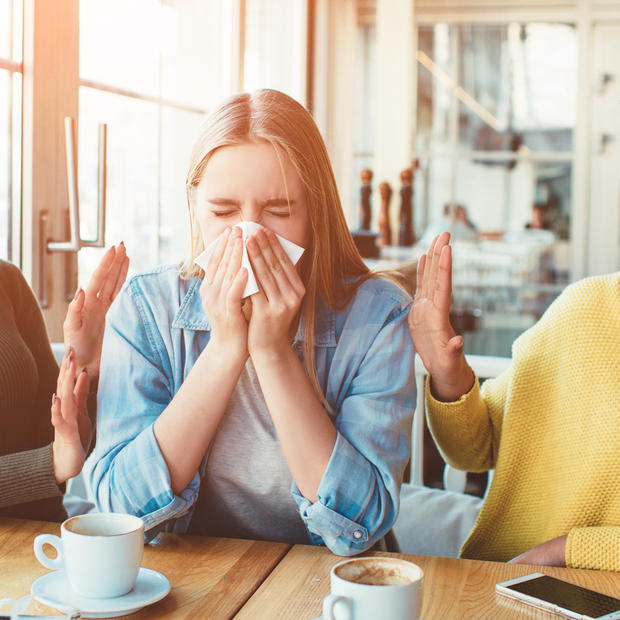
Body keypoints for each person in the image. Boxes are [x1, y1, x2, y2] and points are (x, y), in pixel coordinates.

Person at [90, 89, 415, 555]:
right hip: (196, 577)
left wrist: (272, 352)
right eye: (223, 212)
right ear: (195, 206)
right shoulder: (146, 308)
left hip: (328, 581)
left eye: (279, 211)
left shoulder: (378, 316)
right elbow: (120, 511)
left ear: (314, 211)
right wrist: (224, 351)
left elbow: (361, 523)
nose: (249, 235)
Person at [408, 231, 620, 571]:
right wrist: (449, 376)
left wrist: (565, 551)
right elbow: (475, 447)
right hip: (510, 581)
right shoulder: (584, 307)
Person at [0, 245, 129, 522]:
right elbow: (55, 460)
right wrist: (49, 465)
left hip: (48, 538)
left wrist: (87, 370)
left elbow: (59, 439)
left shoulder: (6, 280)